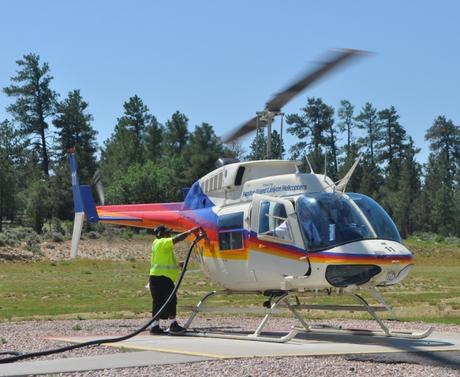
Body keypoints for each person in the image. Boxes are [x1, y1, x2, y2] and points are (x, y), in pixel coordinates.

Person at [149, 224, 201, 335]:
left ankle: (155, 326)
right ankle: (172, 325)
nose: (169, 234)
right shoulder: (162, 242)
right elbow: (177, 239)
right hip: (163, 279)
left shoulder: (157, 244)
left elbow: (164, 262)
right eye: (167, 232)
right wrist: (191, 231)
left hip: (155, 278)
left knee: (158, 302)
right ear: (161, 234)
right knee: (171, 301)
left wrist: (177, 265)